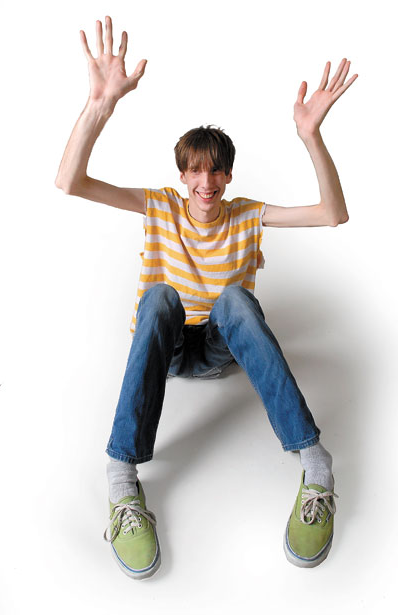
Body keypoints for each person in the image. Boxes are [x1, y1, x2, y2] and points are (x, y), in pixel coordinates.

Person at [55, 15, 358, 579]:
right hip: (170, 350)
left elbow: (332, 214)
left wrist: (311, 137)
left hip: (220, 350)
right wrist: (100, 105)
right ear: (182, 175)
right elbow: (70, 182)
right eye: (196, 171)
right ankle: (121, 477)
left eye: (216, 172)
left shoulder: (245, 214)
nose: (206, 183)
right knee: (159, 298)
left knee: (235, 300)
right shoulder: (161, 206)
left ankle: (315, 463)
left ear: (228, 175)